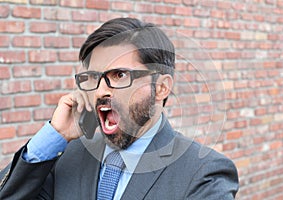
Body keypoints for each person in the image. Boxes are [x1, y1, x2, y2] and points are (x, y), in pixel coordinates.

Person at [0, 18, 239, 200]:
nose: (102, 90)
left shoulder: (204, 173)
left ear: (162, 87)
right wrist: (55, 135)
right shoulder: (67, 156)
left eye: (120, 74)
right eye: (94, 77)